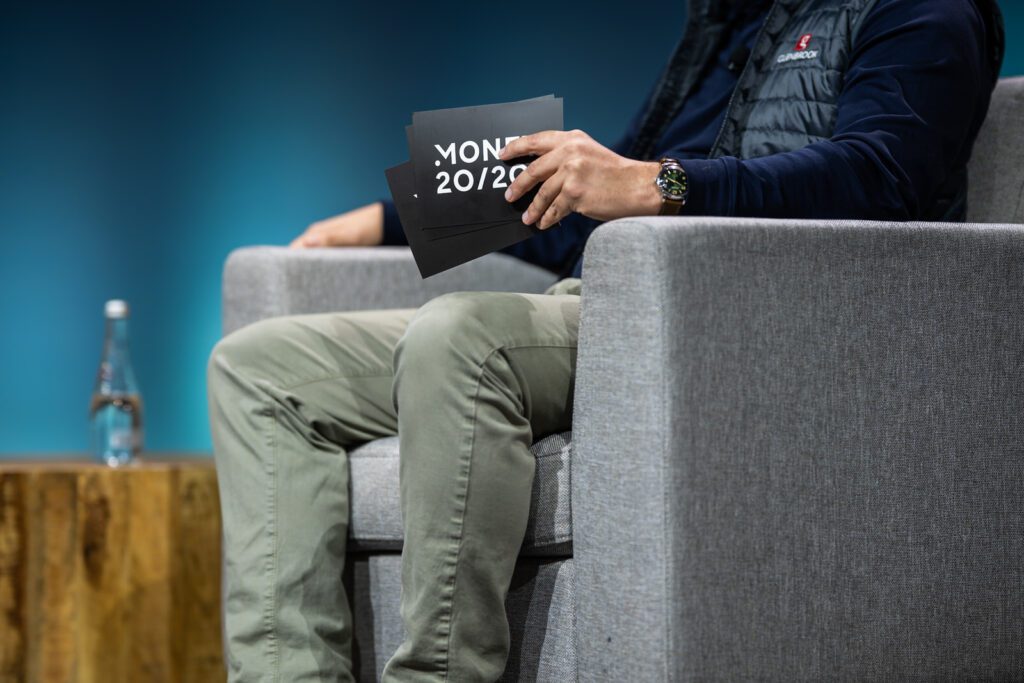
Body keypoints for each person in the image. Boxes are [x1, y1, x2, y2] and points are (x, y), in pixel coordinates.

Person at [208, 0, 1005, 680]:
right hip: (614, 300)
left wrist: (661, 183)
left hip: (738, 319)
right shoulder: (732, 21)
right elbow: (587, 201)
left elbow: (884, 177)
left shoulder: (920, 8)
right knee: (259, 366)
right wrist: (389, 220)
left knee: (461, 336)